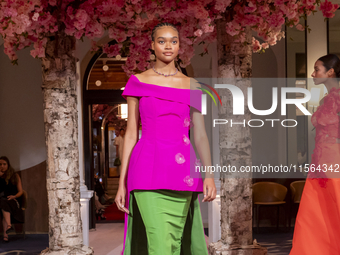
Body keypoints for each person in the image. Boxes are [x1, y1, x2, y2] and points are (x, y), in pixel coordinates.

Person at [115, 22, 216, 255]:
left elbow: (200, 134)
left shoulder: (193, 85)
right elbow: (131, 133)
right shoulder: (137, 81)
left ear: (180, 46)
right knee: (160, 244)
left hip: (182, 172)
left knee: (175, 243)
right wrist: (122, 182)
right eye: (161, 41)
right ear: (152, 45)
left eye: (173, 41)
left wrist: (209, 175)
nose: (168, 46)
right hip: (146, 170)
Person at [290, 54, 340, 254]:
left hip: (334, 159)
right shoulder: (328, 98)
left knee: (334, 207)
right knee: (316, 210)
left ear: (330, 72)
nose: (312, 73)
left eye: (317, 69)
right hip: (320, 159)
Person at [0, 156, 24, 243]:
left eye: (4, 164)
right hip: (2, 201)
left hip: (13, 200)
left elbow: (20, 191)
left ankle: (6, 235)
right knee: (3, 203)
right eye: (0, 164)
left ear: (8, 165)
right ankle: (9, 227)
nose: (2, 166)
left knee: (3, 206)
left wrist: (14, 197)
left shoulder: (15, 175)